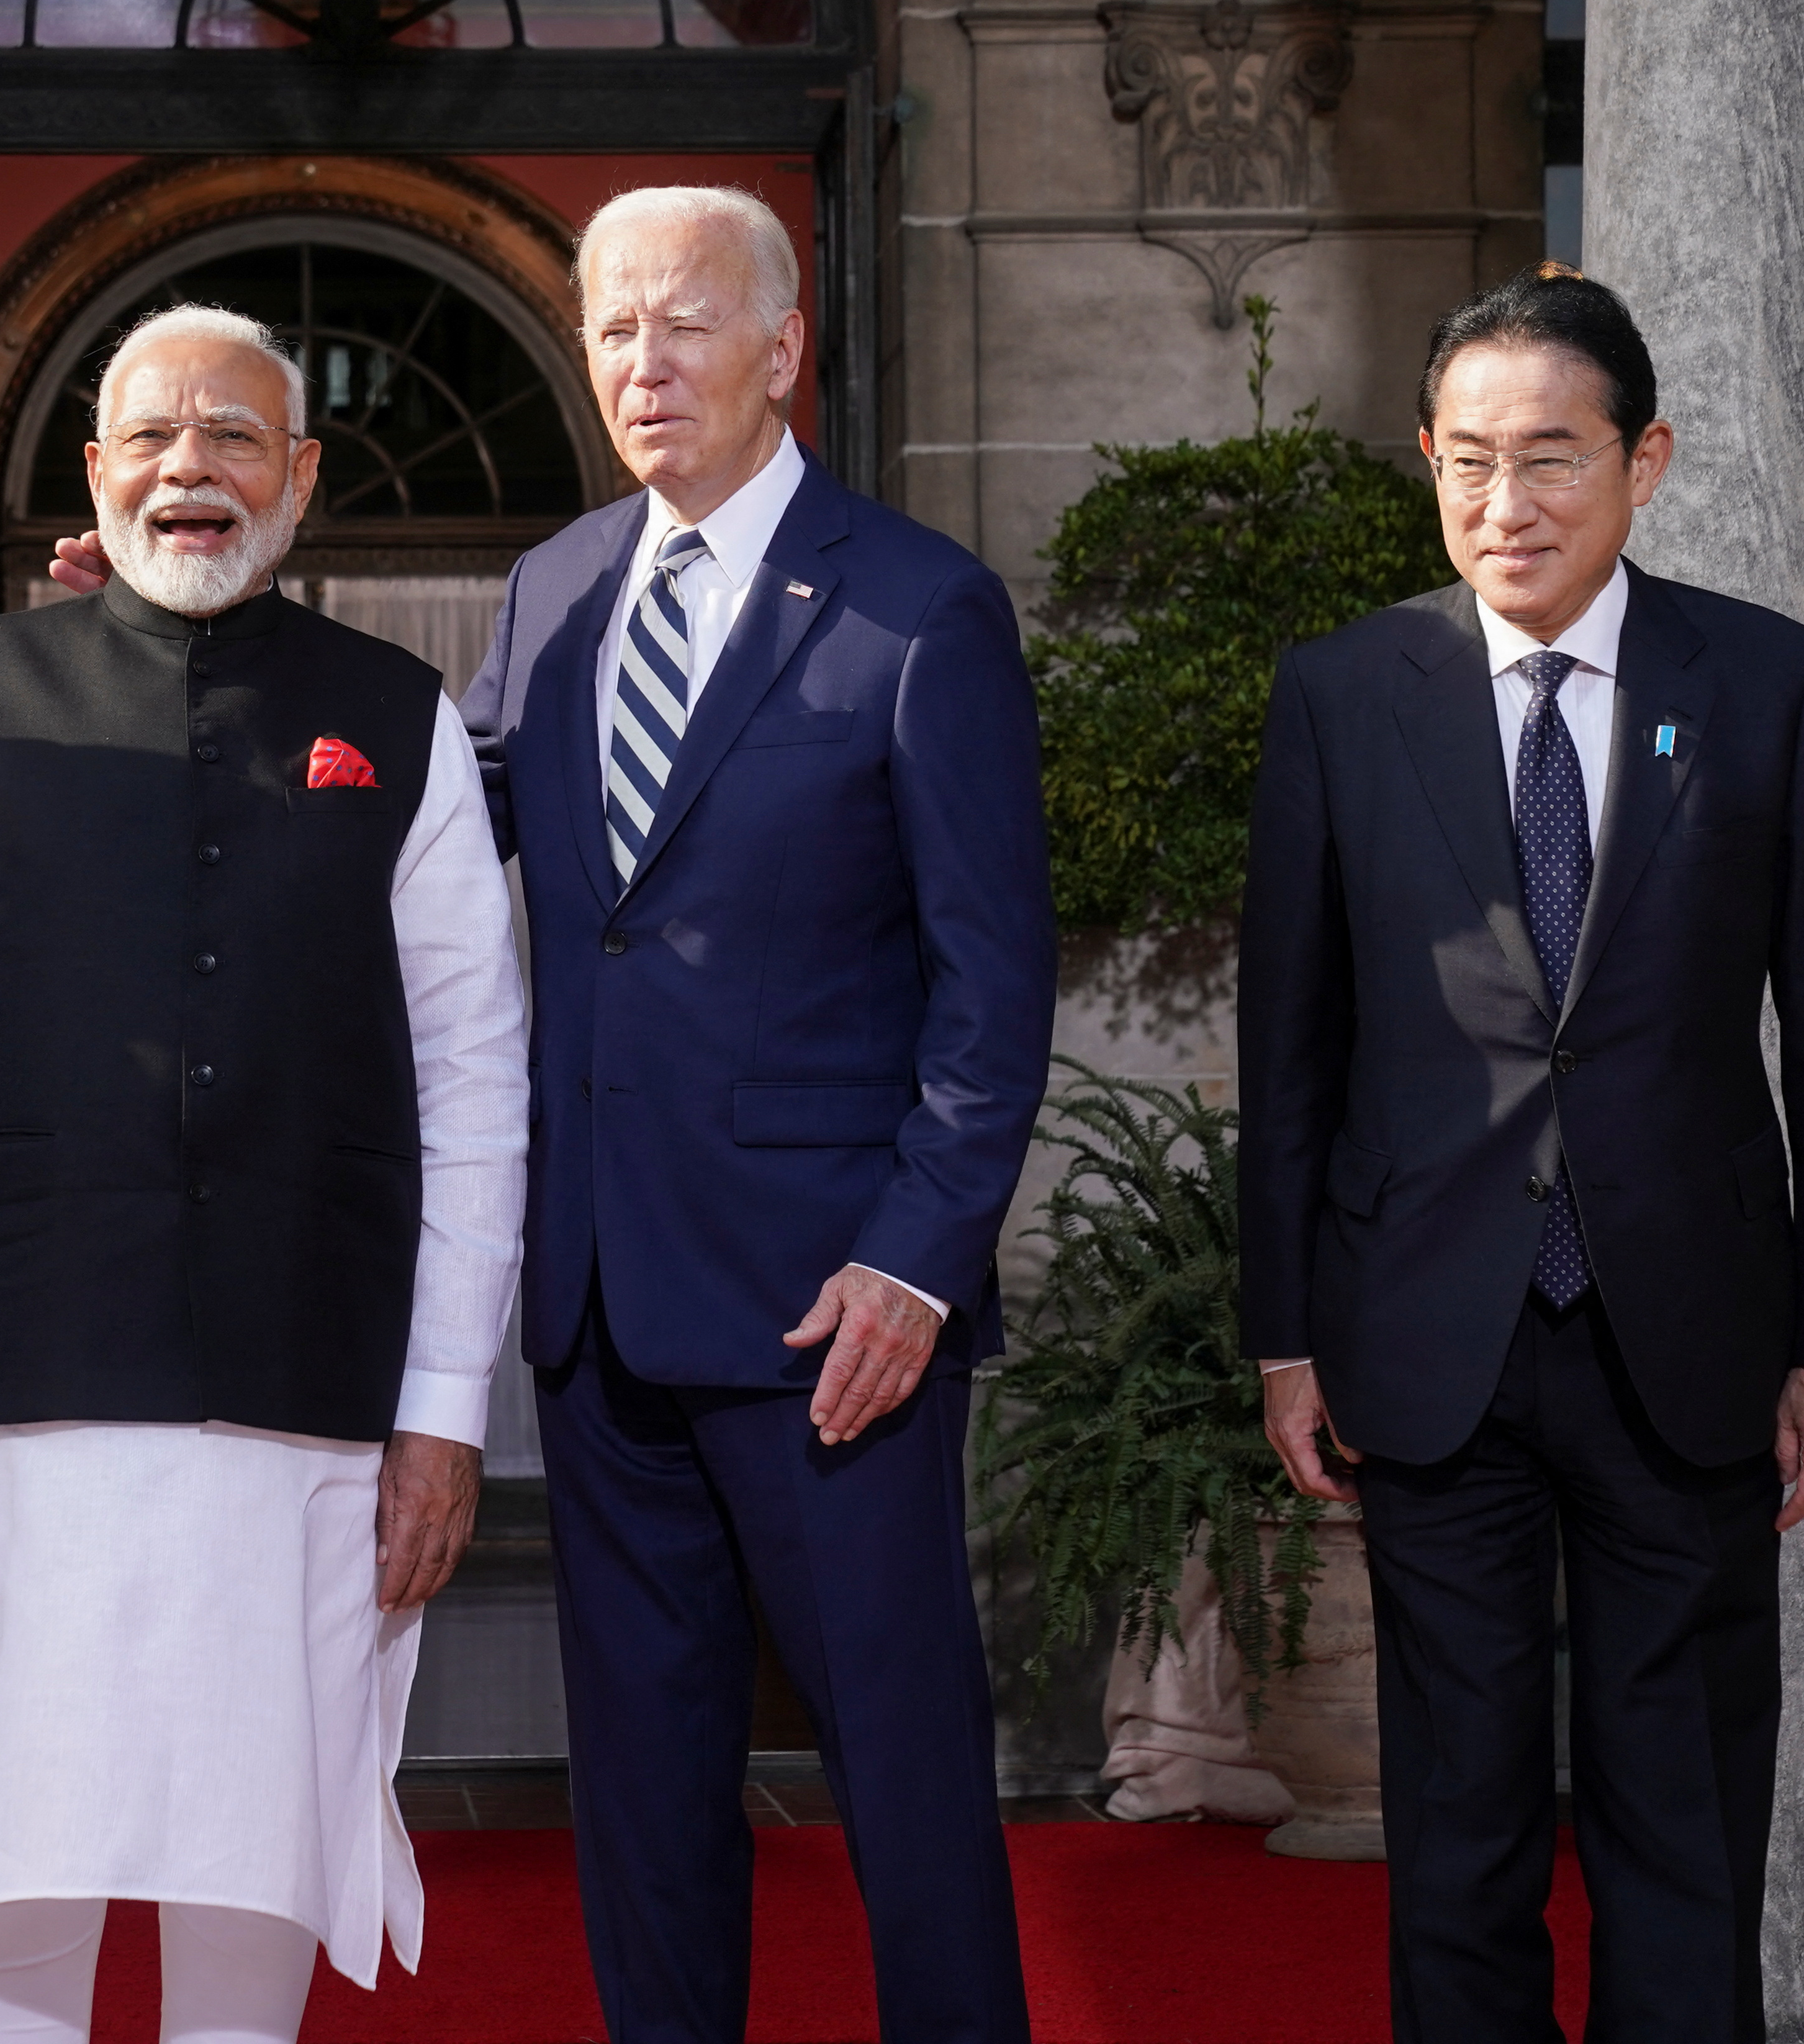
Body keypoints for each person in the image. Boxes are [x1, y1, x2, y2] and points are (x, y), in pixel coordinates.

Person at [52, 190, 1054, 2041]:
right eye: (609, 332)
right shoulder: (562, 588)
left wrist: (918, 1264)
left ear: (783, 348)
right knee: (652, 1798)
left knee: (905, 1777)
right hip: (601, 1310)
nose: (641, 367)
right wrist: (165, 655)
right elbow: (416, 820)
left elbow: (996, 993)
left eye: (683, 324)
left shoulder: (922, 611)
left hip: (835, 1321)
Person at [0, 304, 528, 2044]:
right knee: (13, 1852)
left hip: (301, 1402)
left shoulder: (393, 721)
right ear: (101, 472)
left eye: (236, 438)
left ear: (303, 477)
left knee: (250, 1858)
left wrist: (442, 1414)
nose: (192, 469)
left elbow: (477, 1078)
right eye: (153, 439)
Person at [1236, 266, 1804, 2043]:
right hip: (1425, 1340)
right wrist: (1285, 1335)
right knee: (1454, 1833)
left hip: (1686, 1338)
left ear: (1644, 461)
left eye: (1549, 458)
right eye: (1466, 463)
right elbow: (1288, 1048)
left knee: (1681, 1820)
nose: (1503, 505)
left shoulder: (1762, 685)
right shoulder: (1343, 693)